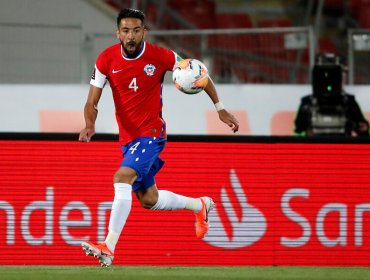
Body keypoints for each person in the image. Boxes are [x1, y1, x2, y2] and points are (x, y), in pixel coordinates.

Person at [78, 8, 239, 267]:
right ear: (117, 32)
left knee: (121, 178)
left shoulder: (161, 56)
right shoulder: (105, 60)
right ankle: (199, 205)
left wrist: (220, 109)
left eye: (136, 30)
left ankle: (108, 246)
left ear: (145, 31)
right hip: (129, 139)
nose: (131, 36)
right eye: (126, 30)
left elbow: (198, 73)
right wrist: (89, 124)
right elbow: (91, 101)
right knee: (148, 199)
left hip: (151, 134)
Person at [294, 53, 369, 136]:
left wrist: (363, 128)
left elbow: (363, 131)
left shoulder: (349, 102)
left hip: (342, 146)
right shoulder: (307, 103)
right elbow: (297, 131)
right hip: (315, 146)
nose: (329, 78)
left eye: (335, 74)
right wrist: (306, 131)